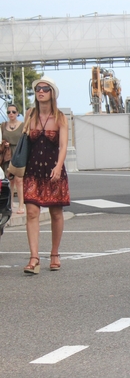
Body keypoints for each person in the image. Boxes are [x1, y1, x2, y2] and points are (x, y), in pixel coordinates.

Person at [22, 76, 70, 275]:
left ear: (52, 93)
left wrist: (58, 167)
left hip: (53, 171)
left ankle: (55, 253)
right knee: (32, 213)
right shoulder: (30, 114)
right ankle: (34, 257)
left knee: (56, 213)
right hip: (32, 171)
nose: (40, 91)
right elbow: (24, 143)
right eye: (38, 89)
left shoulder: (60, 117)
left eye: (45, 88)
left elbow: (64, 145)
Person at [2, 104, 26, 214]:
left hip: (19, 153)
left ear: (17, 113)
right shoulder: (3, 126)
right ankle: (10, 204)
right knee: (9, 181)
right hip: (7, 154)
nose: (11, 114)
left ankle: (21, 204)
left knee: (19, 180)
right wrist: (3, 143)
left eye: (13, 112)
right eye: (8, 112)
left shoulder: (22, 125)